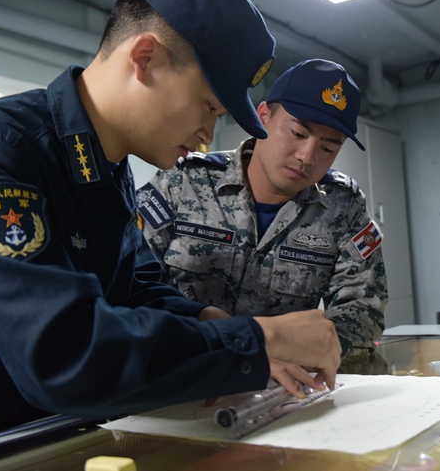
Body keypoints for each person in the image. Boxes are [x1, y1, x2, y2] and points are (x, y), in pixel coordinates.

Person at [0, 0, 340, 447]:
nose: (208, 135)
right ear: (145, 58)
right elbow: (62, 353)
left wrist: (211, 321)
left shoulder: (109, 170)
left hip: (52, 434)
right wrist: (258, 339)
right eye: (208, 106)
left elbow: (137, 289)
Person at [140, 59, 388, 376]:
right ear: (263, 117)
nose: (307, 156)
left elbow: (364, 307)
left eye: (328, 148)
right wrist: (240, 347)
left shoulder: (344, 205)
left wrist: (308, 347)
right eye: (297, 133)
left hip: (284, 387)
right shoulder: (182, 182)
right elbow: (132, 287)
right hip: (184, 374)